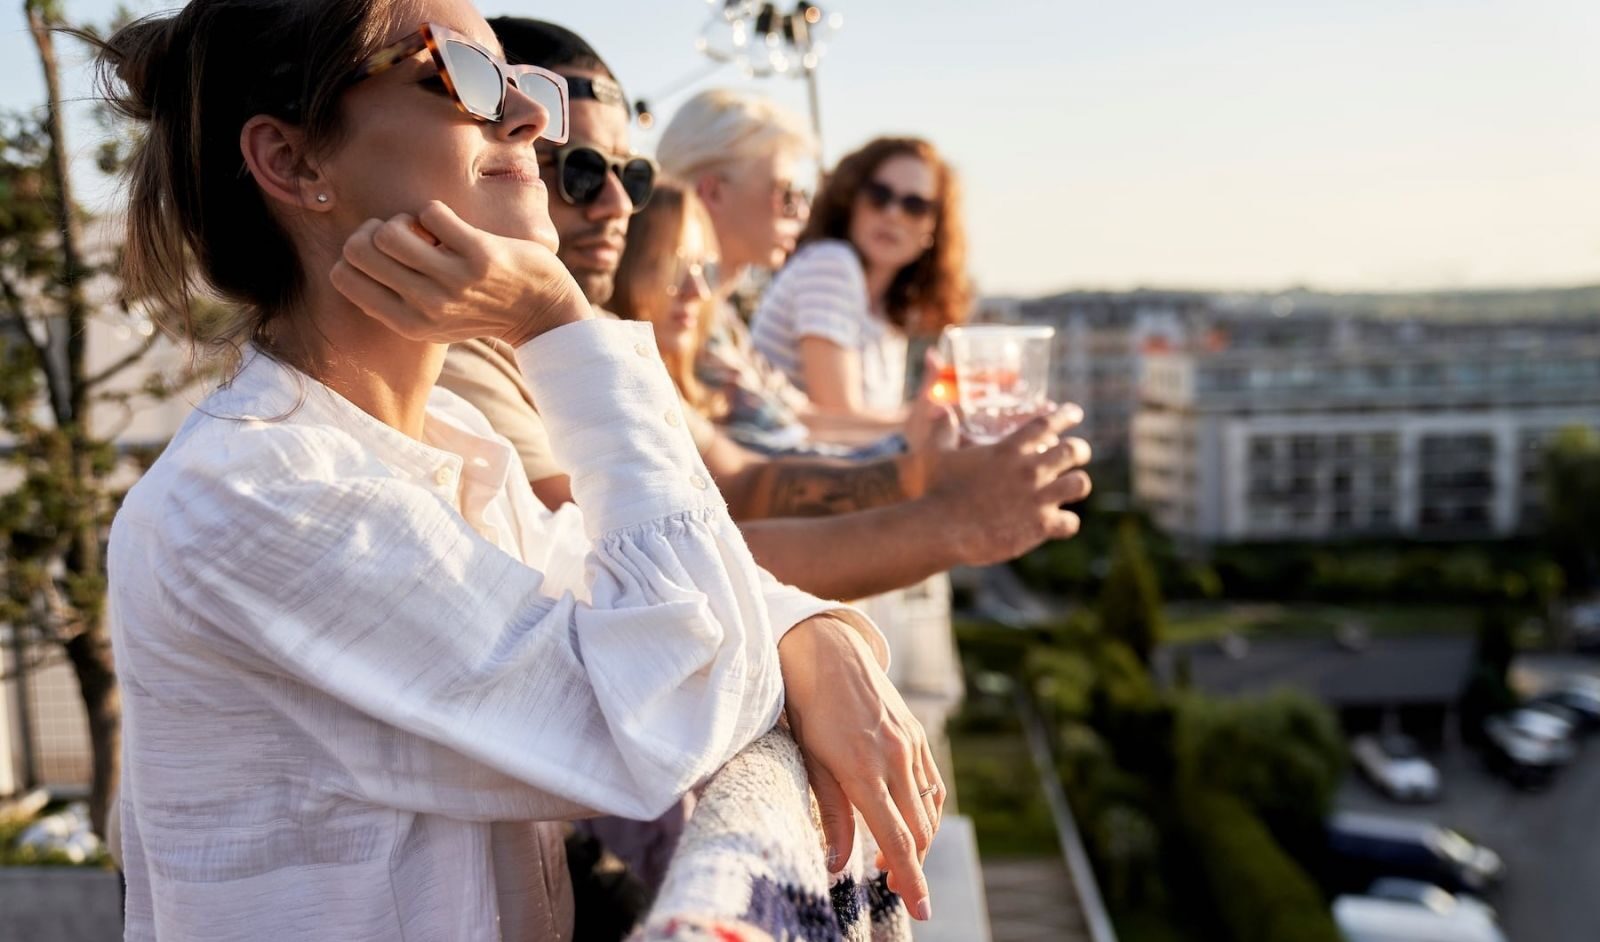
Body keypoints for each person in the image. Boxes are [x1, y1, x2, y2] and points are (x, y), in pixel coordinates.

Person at [93, 2, 943, 938]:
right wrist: (556, 320)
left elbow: (661, 613)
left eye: (521, 81)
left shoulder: (448, 442)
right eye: (456, 76)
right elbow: (672, 707)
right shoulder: (251, 496)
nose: (534, 120)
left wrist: (809, 634)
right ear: (293, 162)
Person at [439, 19, 1093, 609]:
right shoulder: (461, 349)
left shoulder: (592, 335)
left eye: (630, 175)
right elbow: (618, 575)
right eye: (577, 170)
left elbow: (739, 479)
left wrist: (926, 474)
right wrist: (951, 521)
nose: (615, 204)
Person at [657, 88, 904, 454]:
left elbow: (803, 418)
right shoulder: (677, 318)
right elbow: (761, 464)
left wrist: (922, 427)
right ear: (712, 193)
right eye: (787, 194)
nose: (801, 213)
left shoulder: (717, 315)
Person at [752, 137, 971, 424]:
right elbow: (838, 417)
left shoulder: (889, 312)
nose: (893, 214)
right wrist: (947, 420)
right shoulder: (830, 263)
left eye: (914, 206)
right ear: (851, 199)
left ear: (934, 228)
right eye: (879, 195)